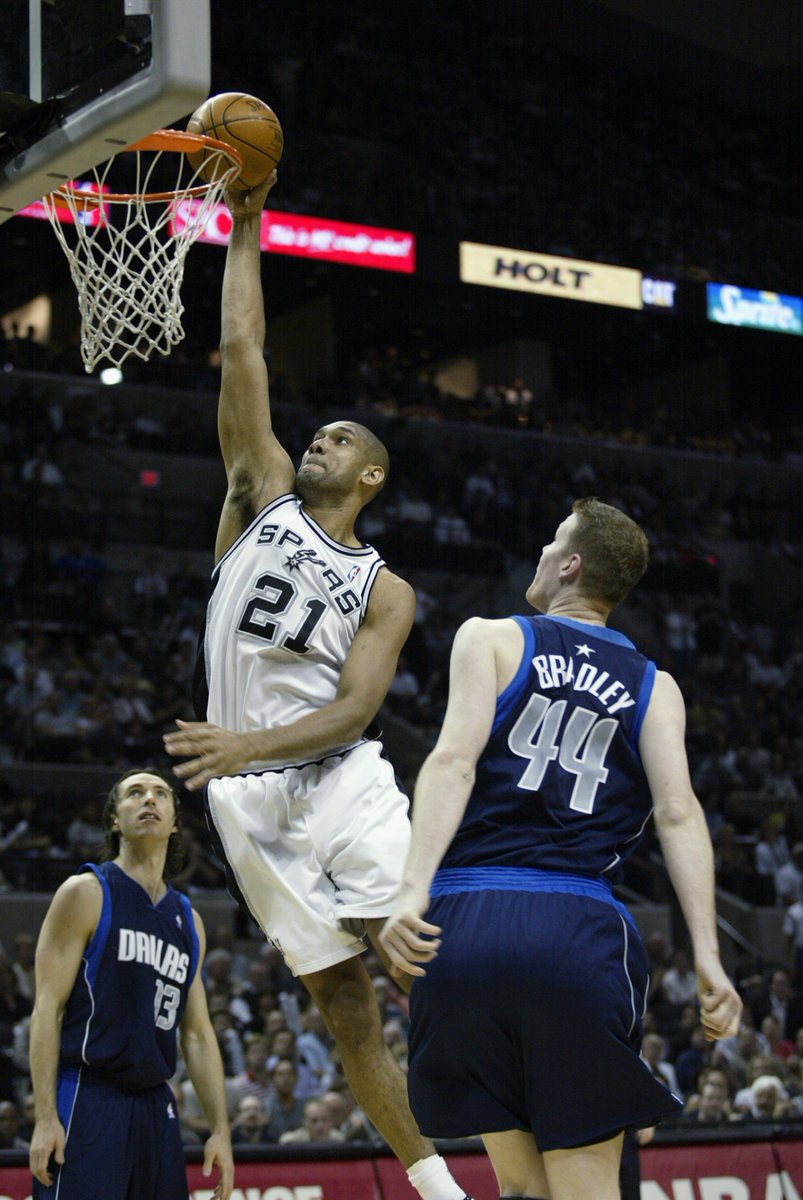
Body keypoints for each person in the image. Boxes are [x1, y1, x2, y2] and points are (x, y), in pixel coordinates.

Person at [163, 173, 471, 1200]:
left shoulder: (387, 590)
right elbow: (245, 352)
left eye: (342, 439)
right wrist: (245, 226)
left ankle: (536, 1115)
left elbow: (354, 711)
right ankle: (440, 1191)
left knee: (426, 954)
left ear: (371, 478)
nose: (321, 440)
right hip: (249, 804)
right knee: (343, 1007)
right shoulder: (260, 490)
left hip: (337, 776)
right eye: (320, 434)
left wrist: (246, 745)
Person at [380, 498, 742, 1200]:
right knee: (586, 1189)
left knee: (520, 1189)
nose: (542, 553)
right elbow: (676, 811)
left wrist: (409, 890)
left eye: (552, 543)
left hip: (464, 923)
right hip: (574, 928)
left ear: (571, 565)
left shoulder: (487, 637)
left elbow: (452, 762)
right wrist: (706, 955)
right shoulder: (653, 686)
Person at [27, 768, 233, 1200]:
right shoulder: (85, 893)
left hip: (157, 1104)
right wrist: (45, 1116)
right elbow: (48, 1008)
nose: (149, 800)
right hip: (88, 1094)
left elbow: (196, 1033)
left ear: (176, 822)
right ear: (115, 820)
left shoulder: (188, 920)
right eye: (135, 793)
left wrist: (220, 1129)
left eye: (161, 794)